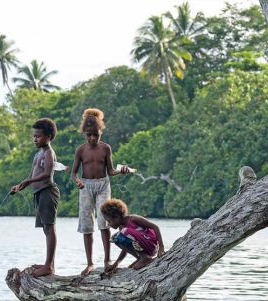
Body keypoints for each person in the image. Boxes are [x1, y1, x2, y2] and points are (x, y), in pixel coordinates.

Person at [71, 108, 130, 276]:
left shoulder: (105, 149)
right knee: (86, 224)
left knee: (105, 221)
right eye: (89, 135)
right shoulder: (81, 150)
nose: (92, 138)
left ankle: (107, 260)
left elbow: (110, 170)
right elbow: (73, 173)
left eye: (96, 135)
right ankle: (90, 263)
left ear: (101, 132)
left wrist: (121, 170)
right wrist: (78, 181)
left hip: (103, 185)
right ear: (84, 133)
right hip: (86, 186)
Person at [10, 118, 60, 277]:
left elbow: (47, 174)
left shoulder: (48, 153)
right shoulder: (38, 153)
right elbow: (32, 174)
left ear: (48, 136)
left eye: (38, 136)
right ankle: (49, 263)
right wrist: (20, 185)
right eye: (34, 136)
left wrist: (29, 180)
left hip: (47, 192)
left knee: (50, 227)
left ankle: (49, 266)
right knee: (46, 229)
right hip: (39, 193)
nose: (35, 139)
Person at [101, 198, 165, 273]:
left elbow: (155, 227)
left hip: (150, 244)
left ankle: (145, 258)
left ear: (116, 217)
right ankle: (140, 258)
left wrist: (161, 247)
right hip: (143, 247)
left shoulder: (133, 219)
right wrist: (116, 263)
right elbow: (125, 248)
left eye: (109, 221)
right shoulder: (122, 229)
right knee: (116, 238)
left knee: (118, 235)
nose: (108, 224)